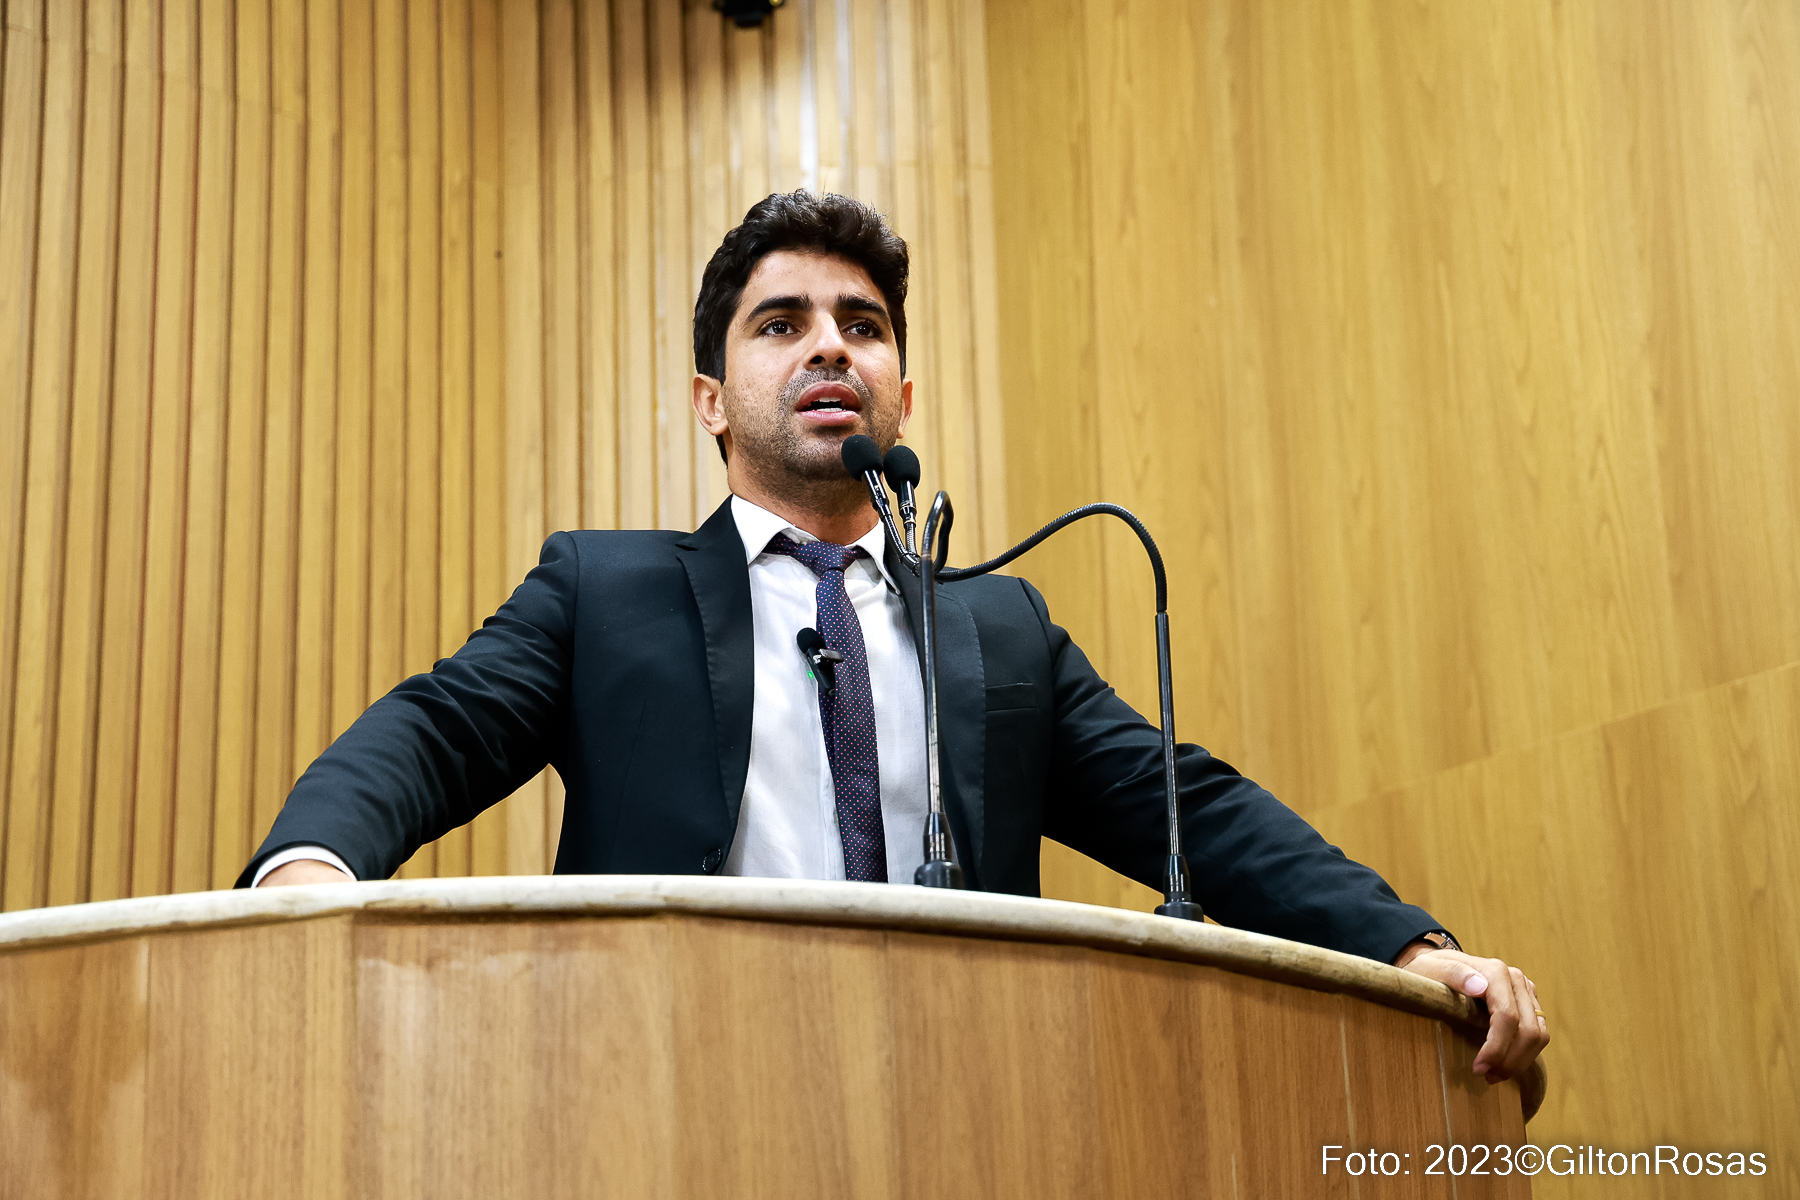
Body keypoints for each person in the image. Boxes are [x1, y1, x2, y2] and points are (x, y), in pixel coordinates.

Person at [245, 191, 1548, 1084]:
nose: (830, 346)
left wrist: (1414, 948)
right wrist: (309, 871)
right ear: (712, 400)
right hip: (664, 1095)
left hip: (971, 1102)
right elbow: (437, 728)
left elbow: (1189, 807)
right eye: (782, 324)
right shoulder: (605, 591)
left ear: (901, 395)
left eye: (861, 327)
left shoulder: (999, 624)